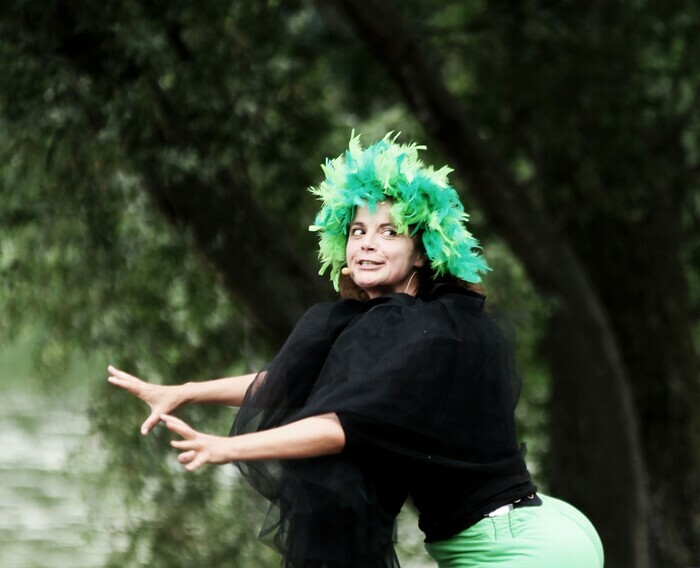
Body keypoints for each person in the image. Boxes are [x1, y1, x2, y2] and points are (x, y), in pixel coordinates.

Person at [109, 133, 604, 567]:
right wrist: (185, 391)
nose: (367, 244)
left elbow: (341, 426)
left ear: (422, 249)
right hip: (547, 526)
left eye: (390, 231)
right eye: (357, 230)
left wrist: (227, 447)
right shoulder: (426, 321)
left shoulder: (412, 329)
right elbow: (291, 383)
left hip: (513, 550)